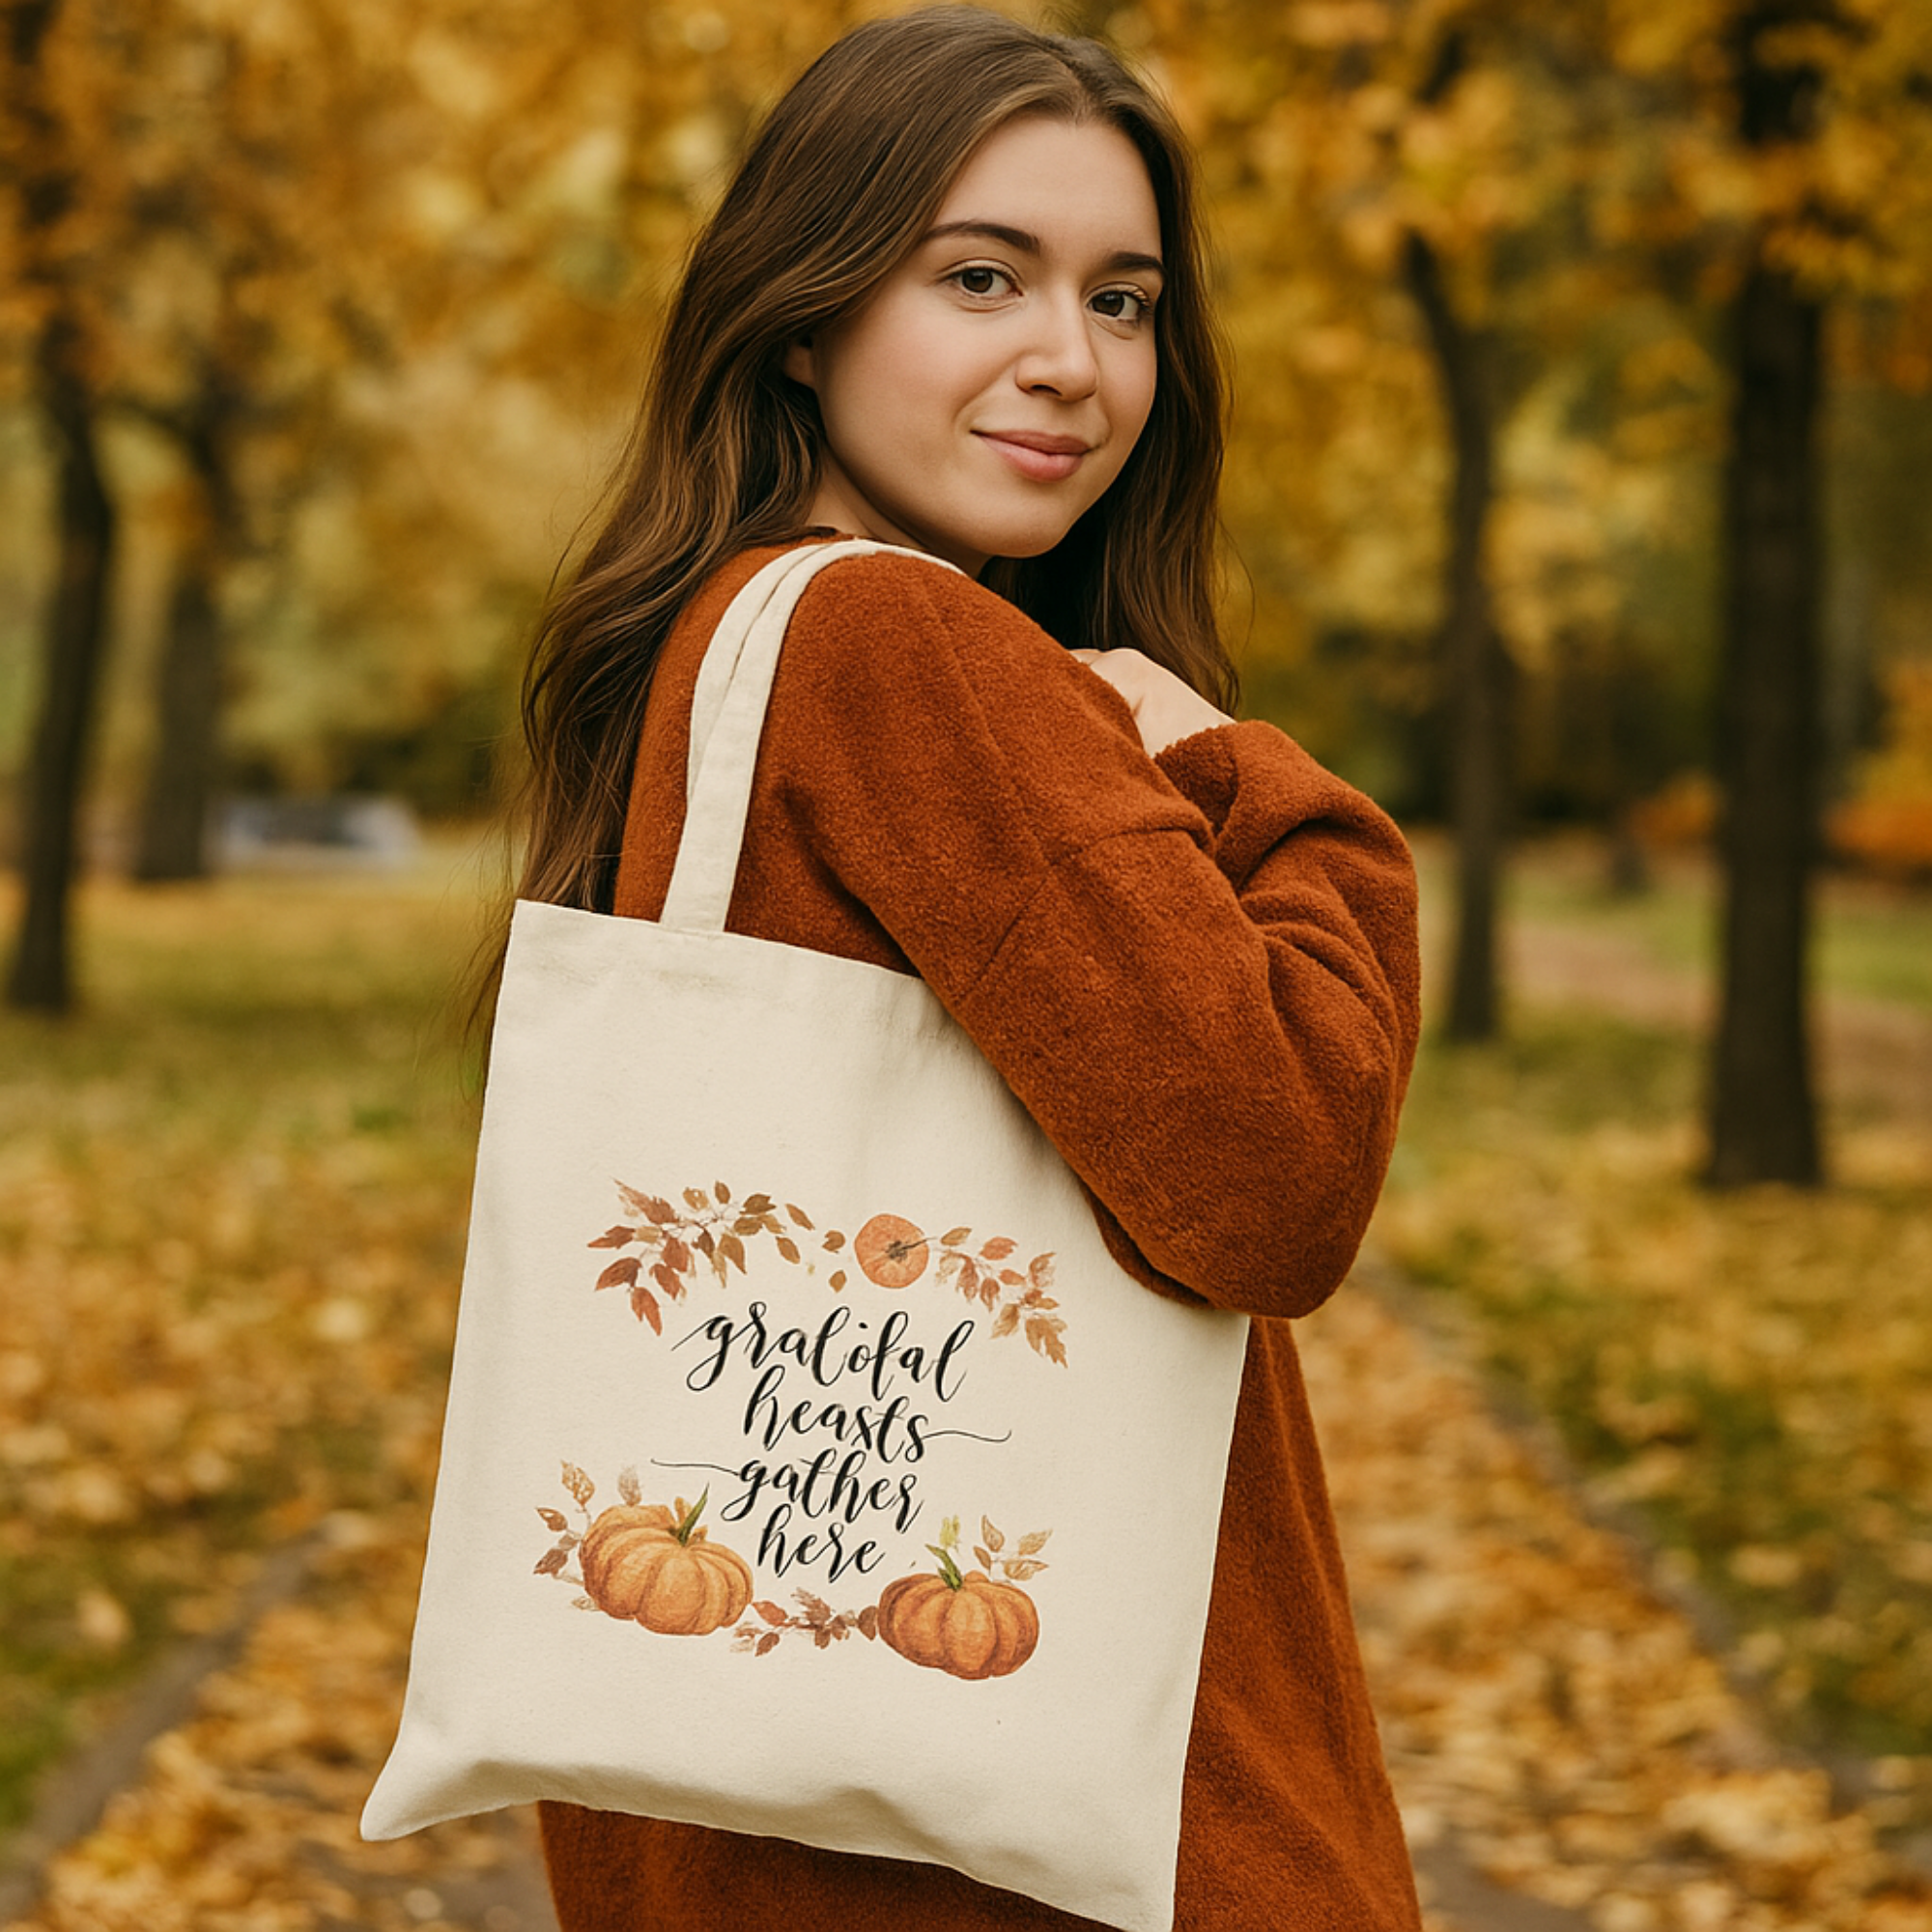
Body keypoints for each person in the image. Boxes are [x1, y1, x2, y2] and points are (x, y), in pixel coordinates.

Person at [502, 8, 1424, 1926]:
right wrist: (1264, 796)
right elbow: (1277, 1177)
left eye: (1123, 299)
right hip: (1035, 1858)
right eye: (980, 277)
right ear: (806, 311)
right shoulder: (900, 650)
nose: (1068, 362)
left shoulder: (721, 635)